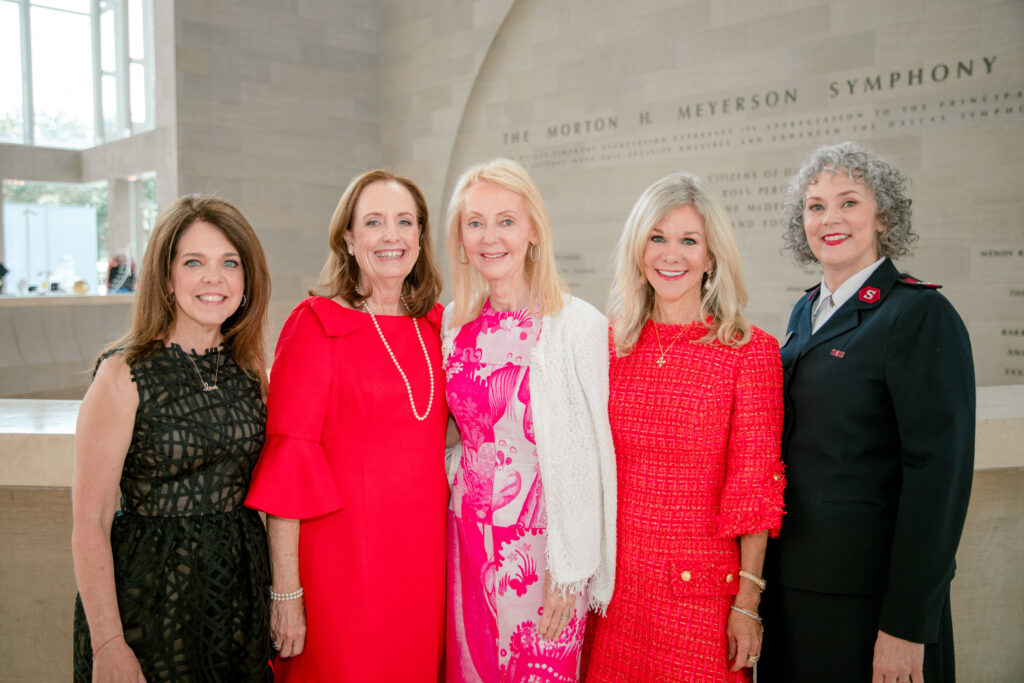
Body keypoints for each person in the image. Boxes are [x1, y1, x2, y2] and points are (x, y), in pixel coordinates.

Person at [759, 142, 975, 683]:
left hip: (869, 601)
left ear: (884, 217)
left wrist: (907, 623)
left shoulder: (919, 313)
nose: (829, 219)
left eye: (849, 202)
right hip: (792, 587)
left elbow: (939, 481)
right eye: (815, 206)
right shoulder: (806, 310)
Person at [245, 170, 448, 681]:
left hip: (424, 566)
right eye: (374, 222)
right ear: (349, 239)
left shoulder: (439, 327)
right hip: (343, 567)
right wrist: (286, 591)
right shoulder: (317, 326)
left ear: (420, 236)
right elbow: (288, 465)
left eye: (404, 222)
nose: (391, 236)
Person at [583, 173, 785, 682]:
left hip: (699, 599)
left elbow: (754, 491)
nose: (671, 255)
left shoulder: (748, 352)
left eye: (689, 241)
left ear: (711, 256)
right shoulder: (607, 345)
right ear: (638, 250)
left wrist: (747, 602)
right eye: (657, 237)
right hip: (614, 594)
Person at [71, 195, 273, 682]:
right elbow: (90, 521)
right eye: (194, 262)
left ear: (247, 279)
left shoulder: (250, 371)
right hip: (148, 603)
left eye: (230, 263)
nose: (214, 278)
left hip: (238, 600)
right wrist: (108, 644)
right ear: (166, 277)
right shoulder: (123, 373)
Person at [442, 158, 616, 682]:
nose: (490, 237)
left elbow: (591, 456)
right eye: (475, 222)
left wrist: (571, 568)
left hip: (544, 551)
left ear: (534, 230)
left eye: (506, 221)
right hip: (467, 538)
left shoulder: (578, 326)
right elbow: (452, 434)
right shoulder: (453, 324)